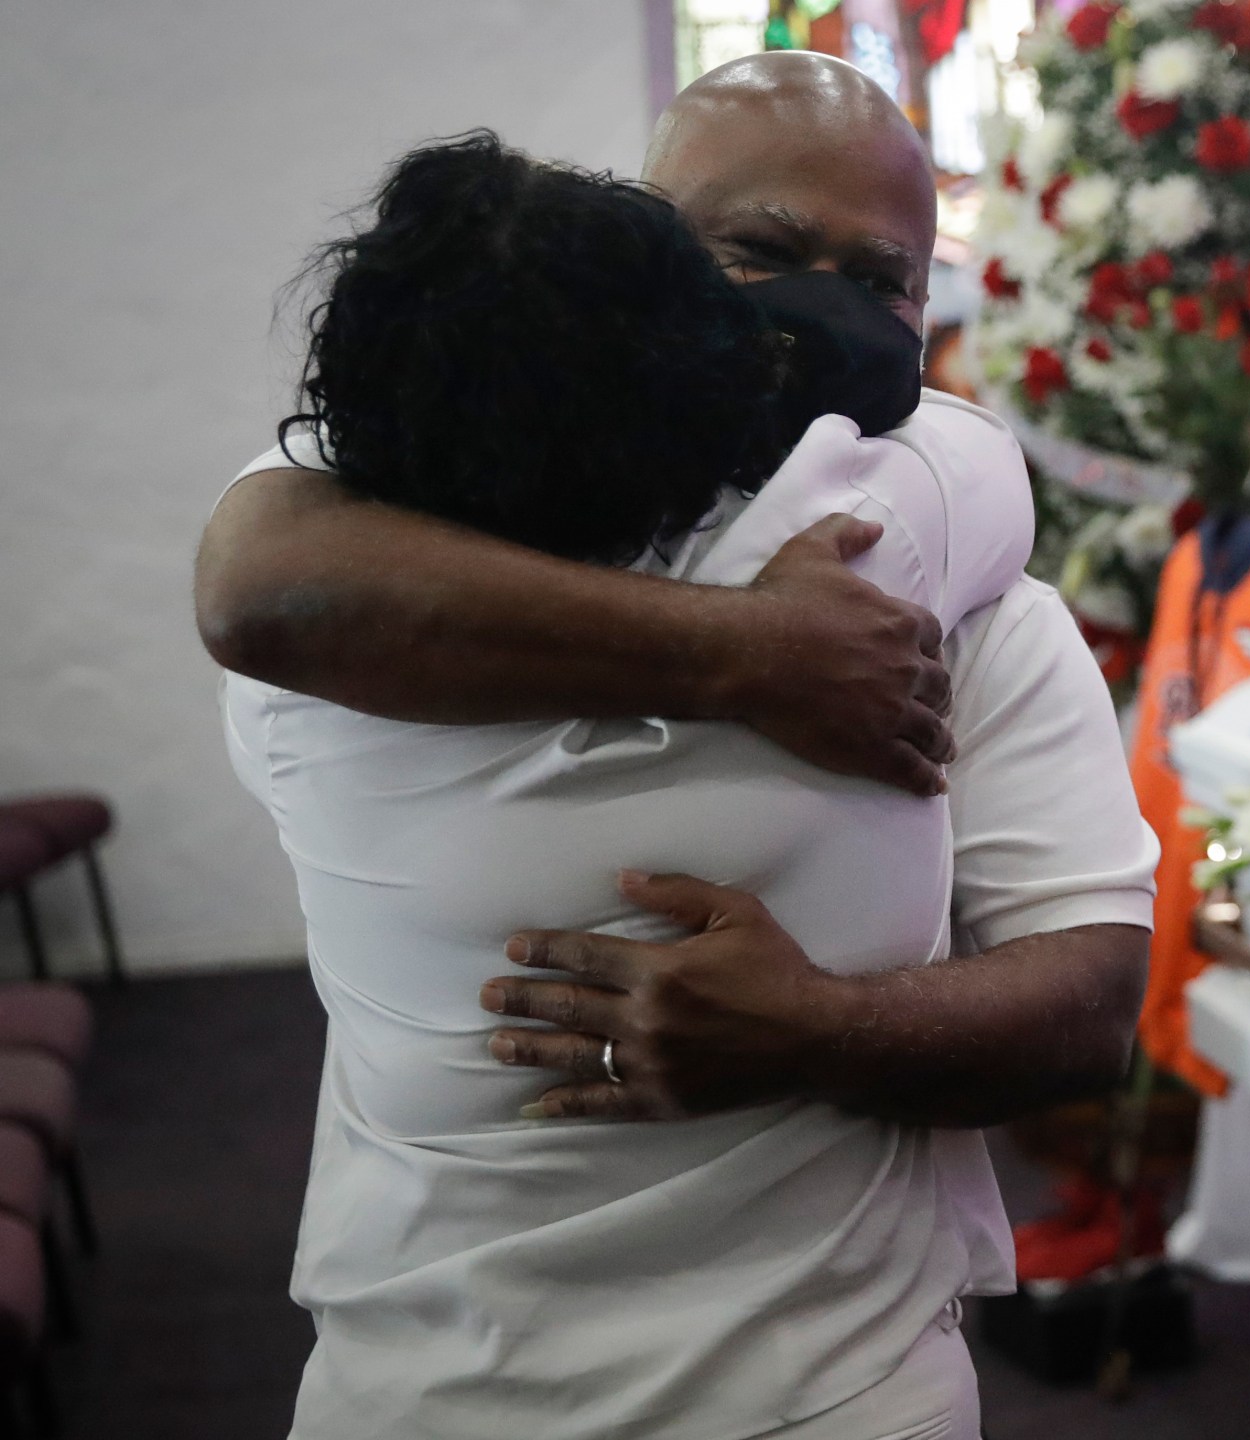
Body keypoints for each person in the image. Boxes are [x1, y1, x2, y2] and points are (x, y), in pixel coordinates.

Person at [203, 63, 1155, 1440]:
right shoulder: (347, 598)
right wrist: (746, 652)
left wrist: (820, 1032)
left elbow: (1090, 1009)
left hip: (836, 1394)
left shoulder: (959, 604)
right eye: (760, 253)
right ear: (645, 248)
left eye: (881, 279)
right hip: (432, 1390)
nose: (824, 314)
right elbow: (255, 578)